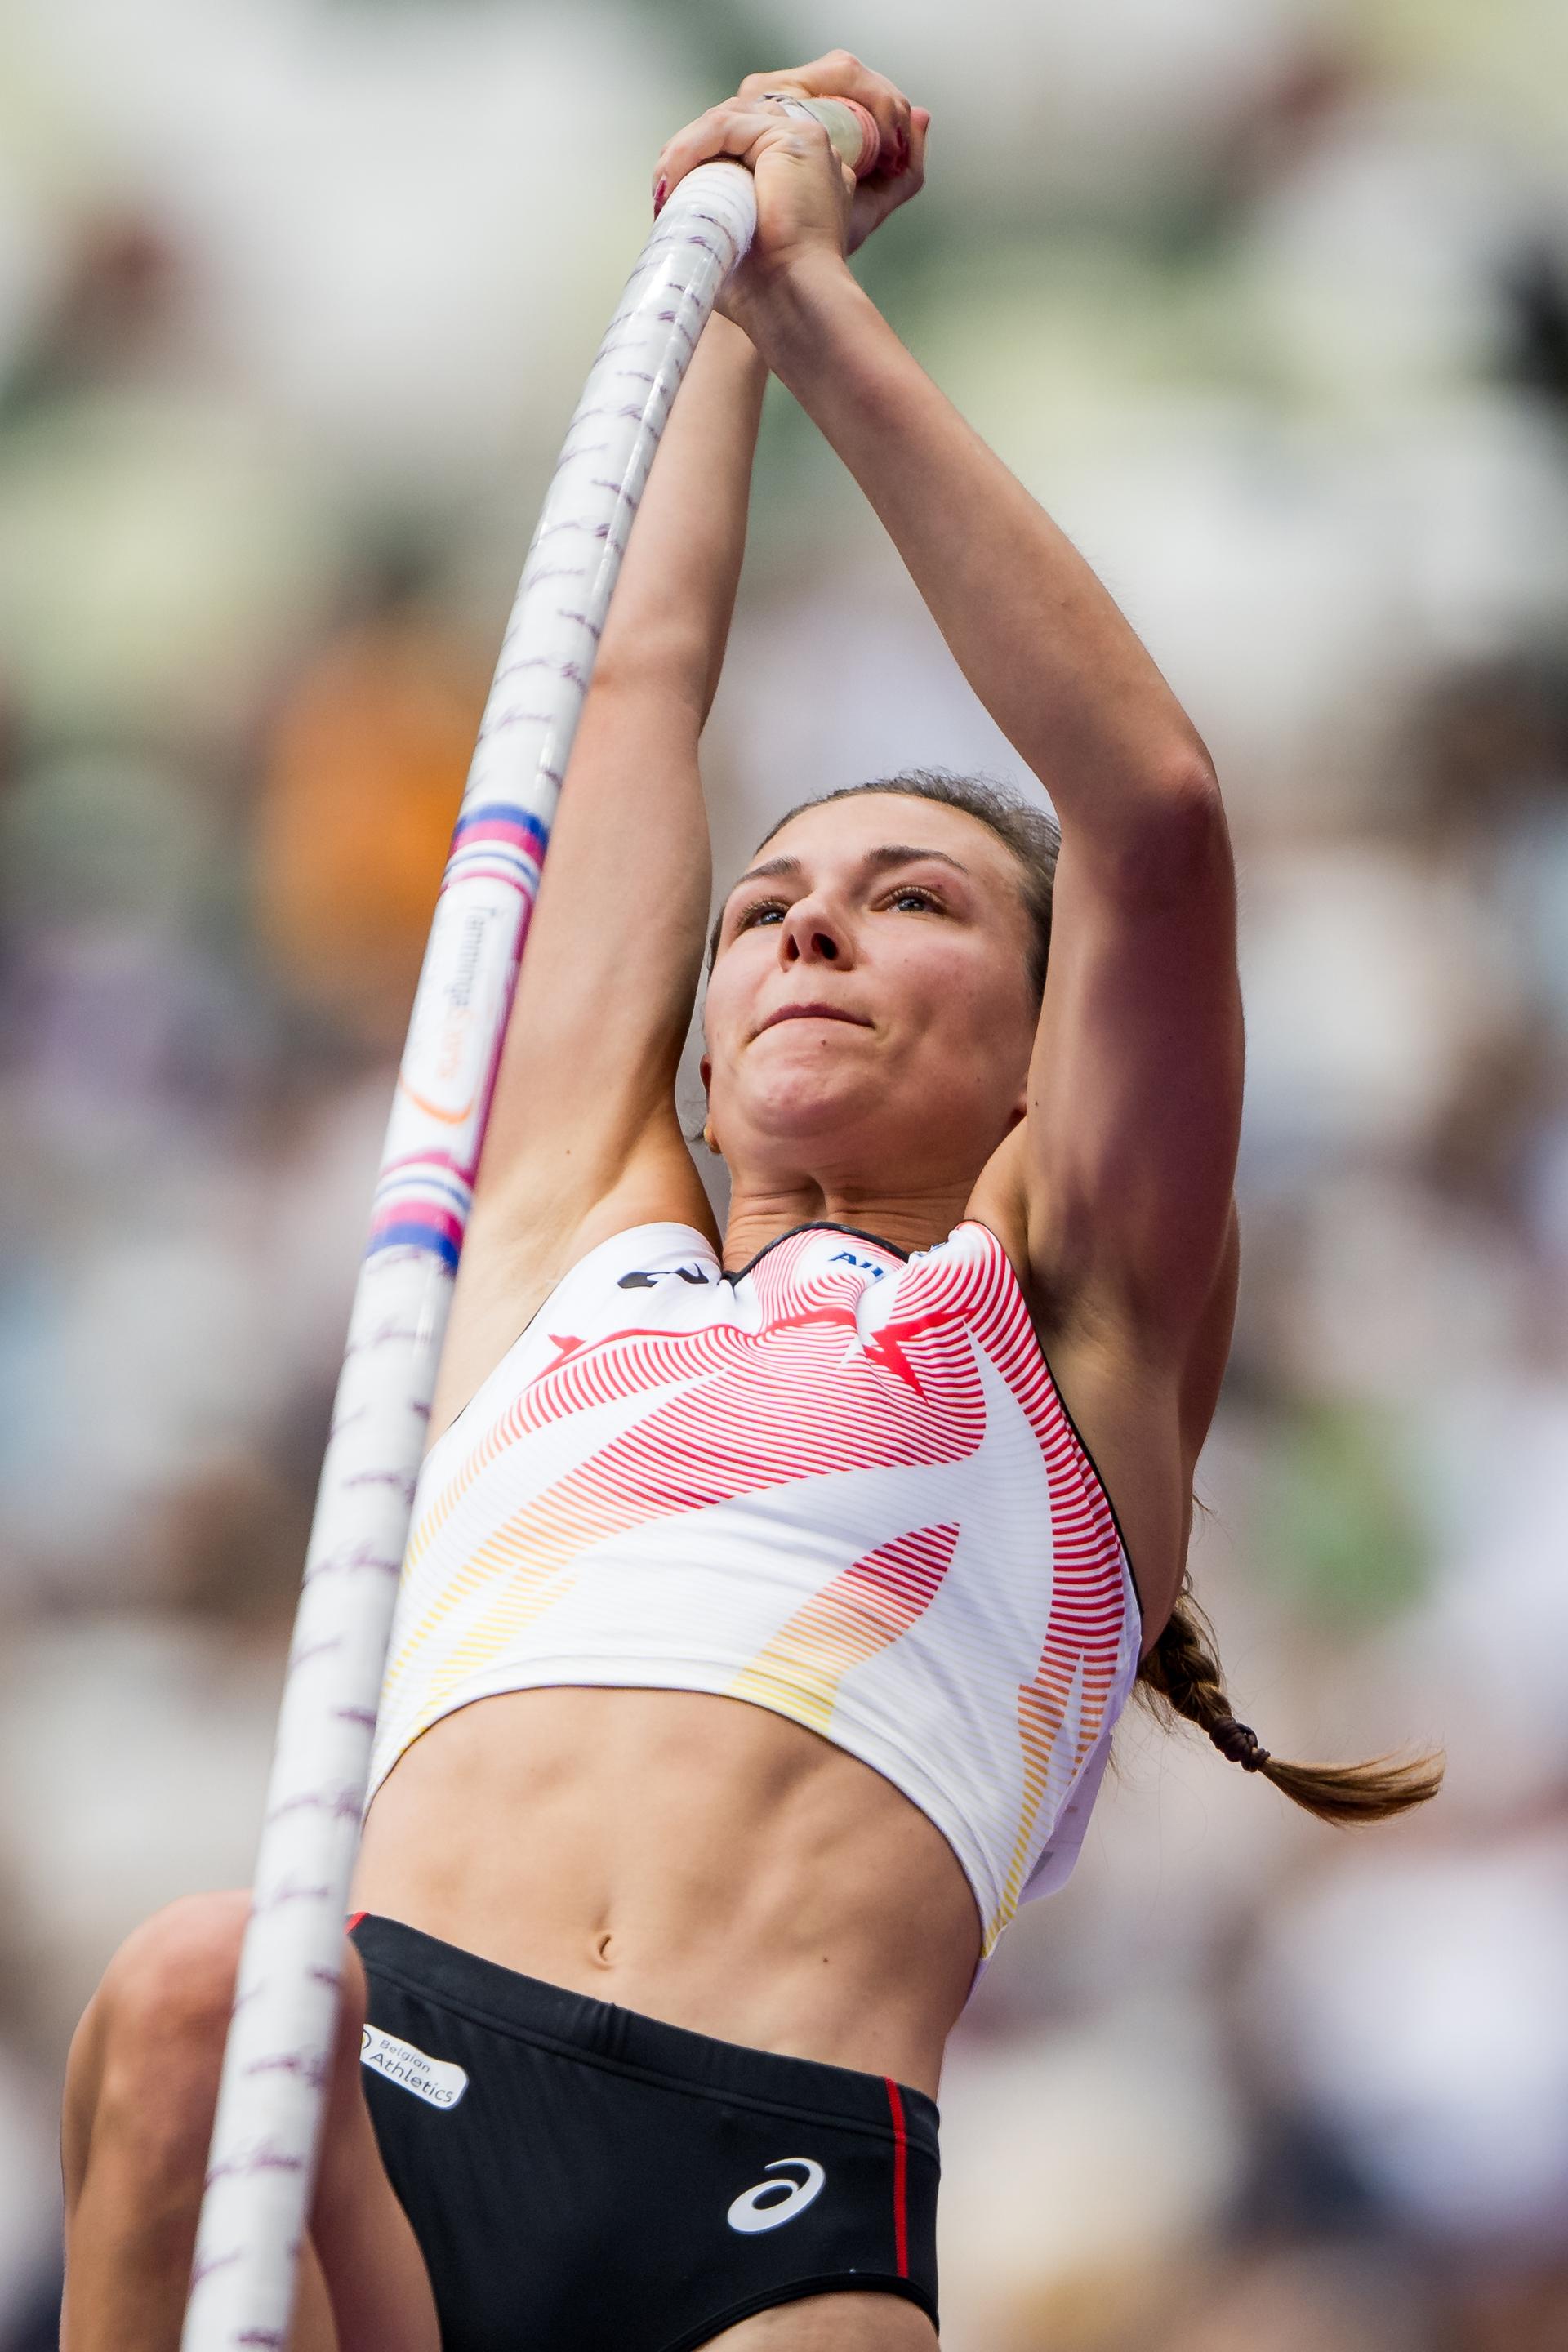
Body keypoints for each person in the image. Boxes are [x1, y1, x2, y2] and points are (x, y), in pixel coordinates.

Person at [57, 51, 1441, 2352]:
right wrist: (702, 298)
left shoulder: (1069, 1336)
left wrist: (815, 316)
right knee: (204, 1991)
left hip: (763, 2191)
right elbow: (627, 689)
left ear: (1037, 1047)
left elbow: (1158, 818)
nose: (803, 925)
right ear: (699, 1041)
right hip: (388, 2119)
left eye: (909, 903)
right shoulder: (561, 1256)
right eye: (770, 905)